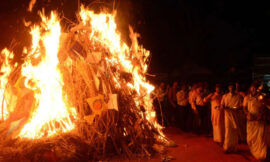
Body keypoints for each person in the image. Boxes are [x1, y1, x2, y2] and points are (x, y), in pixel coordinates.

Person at [243, 83, 267, 160]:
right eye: (252, 88)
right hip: (250, 121)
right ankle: (254, 151)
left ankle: (261, 155)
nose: (253, 89)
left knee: (260, 138)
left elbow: (265, 107)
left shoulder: (261, 97)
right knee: (249, 139)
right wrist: (247, 114)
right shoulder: (247, 98)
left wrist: (261, 114)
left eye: (255, 88)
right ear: (250, 89)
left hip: (259, 121)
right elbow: (244, 108)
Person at [221, 83, 243, 153]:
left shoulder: (239, 96)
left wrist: (235, 108)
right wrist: (224, 107)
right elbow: (222, 105)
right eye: (230, 87)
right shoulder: (225, 96)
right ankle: (227, 147)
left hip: (235, 116)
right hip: (227, 116)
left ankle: (234, 148)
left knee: (234, 132)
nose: (231, 89)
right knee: (228, 131)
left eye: (232, 87)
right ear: (228, 88)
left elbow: (241, 106)